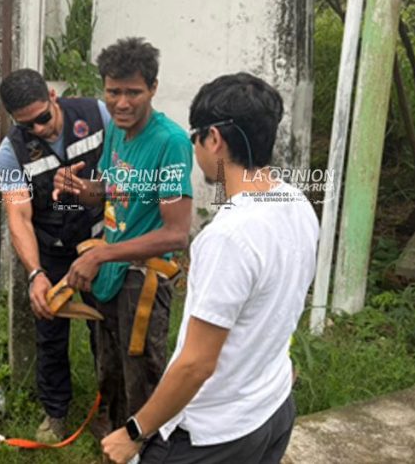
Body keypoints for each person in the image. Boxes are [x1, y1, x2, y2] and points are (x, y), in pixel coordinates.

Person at [100, 73, 319, 464]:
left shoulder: (228, 238)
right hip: (272, 408)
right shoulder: (297, 203)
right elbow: (277, 309)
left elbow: (196, 364)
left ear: (213, 138)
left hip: (215, 434)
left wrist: (134, 431)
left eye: (194, 137)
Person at [53, 37, 193, 432]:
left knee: (141, 372)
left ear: (153, 88)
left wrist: (99, 255)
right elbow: (110, 190)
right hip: (111, 266)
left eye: (133, 92)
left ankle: (146, 445)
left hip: (141, 275)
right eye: (113, 92)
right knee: (109, 362)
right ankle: (114, 434)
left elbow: (176, 234)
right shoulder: (116, 131)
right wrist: (81, 189)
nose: (122, 103)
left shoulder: (170, 143)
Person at [0, 68, 112, 441]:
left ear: (52, 95)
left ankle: (110, 408)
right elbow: (19, 216)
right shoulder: (11, 152)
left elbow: (124, 174)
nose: (40, 129)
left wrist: (89, 191)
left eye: (43, 118)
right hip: (52, 250)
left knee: (107, 327)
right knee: (49, 331)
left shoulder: (97, 115)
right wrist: (35, 273)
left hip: (99, 242)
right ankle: (55, 411)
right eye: (27, 124)